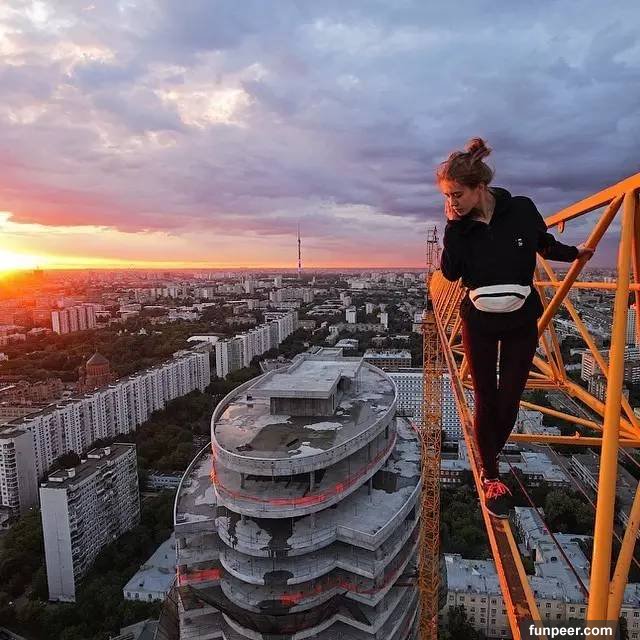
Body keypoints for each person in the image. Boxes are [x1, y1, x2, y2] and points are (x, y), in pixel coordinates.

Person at [437, 137, 594, 518]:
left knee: (509, 398)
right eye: (447, 196)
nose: (452, 202)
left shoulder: (521, 208)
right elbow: (451, 273)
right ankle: (491, 475)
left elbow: (544, 245)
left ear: (479, 187)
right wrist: (453, 227)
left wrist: (576, 253)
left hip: (521, 319)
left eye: (457, 194)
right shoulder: (459, 227)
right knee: (486, 397)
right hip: (479, 321)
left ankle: (487, 454)